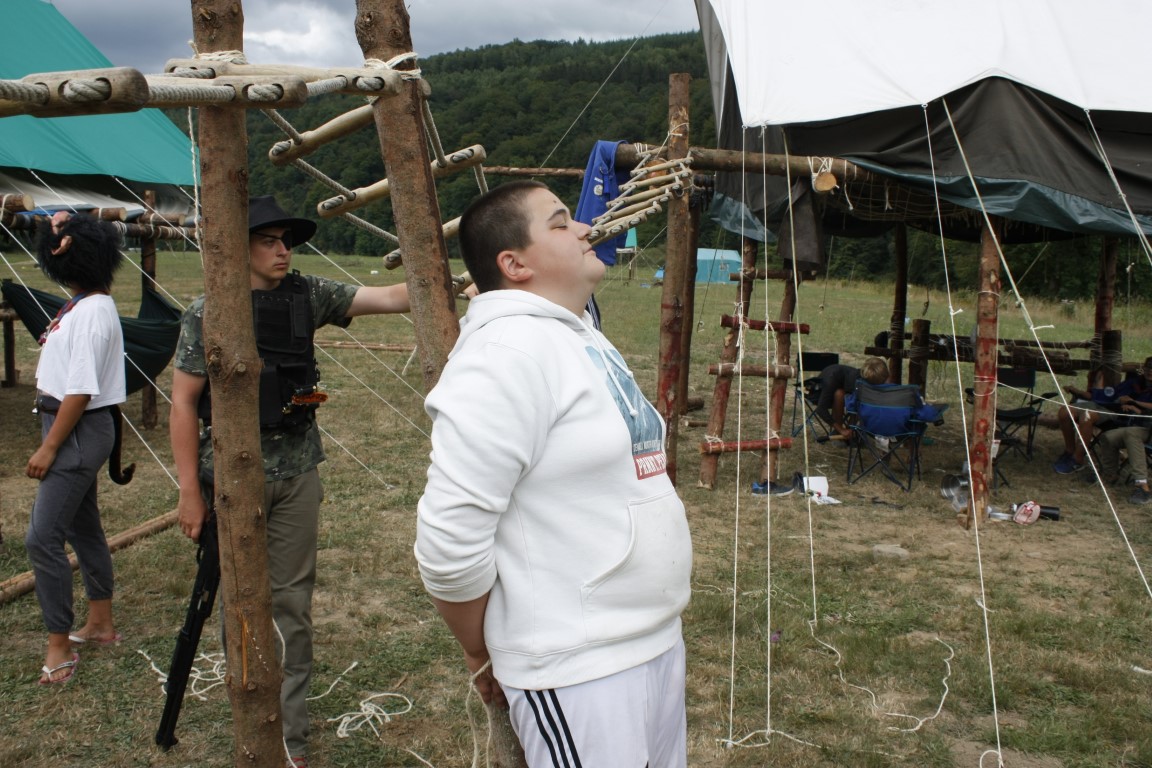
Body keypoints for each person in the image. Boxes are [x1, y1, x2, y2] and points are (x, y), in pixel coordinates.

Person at [415, 180, 692, 767]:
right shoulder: (503, 356)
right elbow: (448, 543)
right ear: (514, 264)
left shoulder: (573, 334)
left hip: (651, 639)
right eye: (562, 222)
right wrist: (481, 651)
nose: (587, 228)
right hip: (577, 665)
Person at [168, 196, 409, 768]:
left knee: (291, 607)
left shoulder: (309, 294)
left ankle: (289, 740)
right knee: (238, 603)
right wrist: (189, 491)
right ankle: (251, 712)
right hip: (231, 478)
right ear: (239, 250)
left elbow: (392, 296)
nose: (283, 251)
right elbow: (183, 403)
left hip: (297, 473)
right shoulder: (207, 312)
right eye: (268, 241)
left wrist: (468, 281)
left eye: (286, 241)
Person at [25, 212, 126, 685]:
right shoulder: (86, 304)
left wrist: (49, 448)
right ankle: (101, 623)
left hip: (76, 431)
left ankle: (58, 646)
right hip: (76, 428)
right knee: (83, 528)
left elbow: (81, 390)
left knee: (42, 537)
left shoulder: (91, 313)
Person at [1053, 359, 1152, 474]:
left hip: (1123, 417)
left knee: (1086, 416)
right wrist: (1079, 392)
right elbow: (1108, 394)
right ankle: (1069, 451)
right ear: (1143, 369)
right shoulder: (1134, 382)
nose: (1150, 371)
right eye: (1148, 368)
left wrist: (1133, 403)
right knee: (1065, 411)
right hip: (1105, 405)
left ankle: (1077, 459)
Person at [817, 356, 890, 439]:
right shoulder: (832, 380)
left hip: (846, 389)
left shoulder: (862, 377)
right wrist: (841, 430)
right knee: (839, 394)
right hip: (819, 390)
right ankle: (838, 431)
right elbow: (821, 409)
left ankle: (852, 431)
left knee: (858, 398)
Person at [1093, 420, 1152, 504]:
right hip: (1146, 428)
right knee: (1109, 437)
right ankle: (1110, 474)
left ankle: (1143, 486)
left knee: (1132, 434)